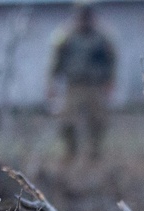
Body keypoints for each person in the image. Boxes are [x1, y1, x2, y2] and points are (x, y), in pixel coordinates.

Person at [47, 3, 117, 162]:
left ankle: (95, 154)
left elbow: (112, 61)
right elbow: (55, 62)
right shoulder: (65, 36)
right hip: (74, 85)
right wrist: (51, 84)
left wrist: (110, 82)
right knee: (66, 122)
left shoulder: (103, 38)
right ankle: (70, 152)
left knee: (98, 122)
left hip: (95, 86)